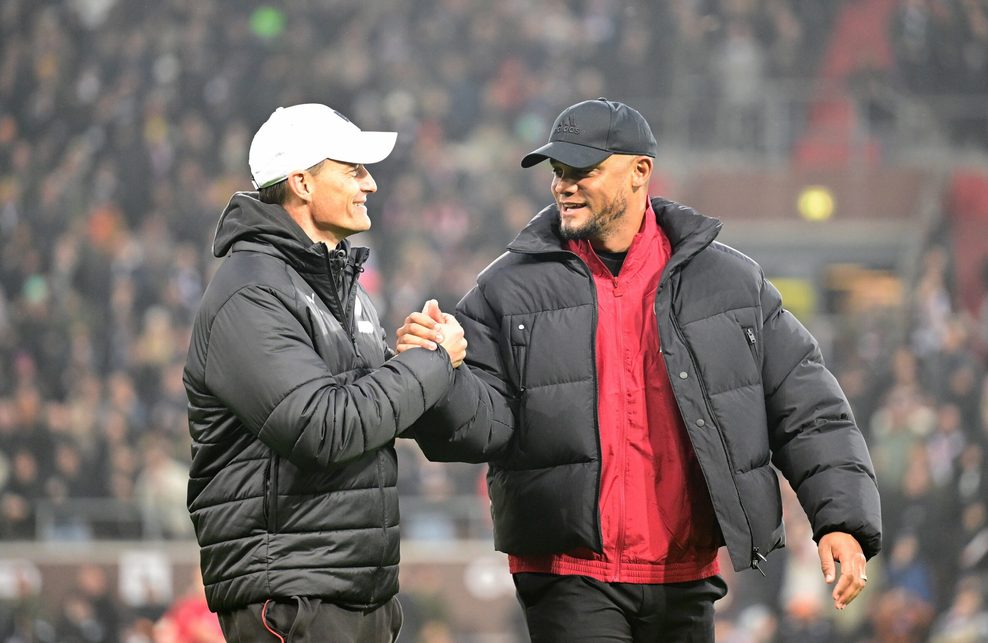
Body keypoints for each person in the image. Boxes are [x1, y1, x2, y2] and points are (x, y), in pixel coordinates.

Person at [397, 98, 882, 642]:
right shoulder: (507, 287)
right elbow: (480, 422)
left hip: (687, 574)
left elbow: (808, 407)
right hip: (568, 575)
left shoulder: (730, 283)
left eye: (583, 171)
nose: (564, 185)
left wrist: (840, 518)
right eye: (558, 173)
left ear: (640, 172)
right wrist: (436, 372)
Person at [183, 103, 466, 642]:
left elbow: (372, 405)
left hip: (352, 590)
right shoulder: (250, 292)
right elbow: (324, 428)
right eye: (353, 170)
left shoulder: (335, 285)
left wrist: (412, 358)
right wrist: (429, 362)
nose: (371, 184)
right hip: (293, 595)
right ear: (302, 183)